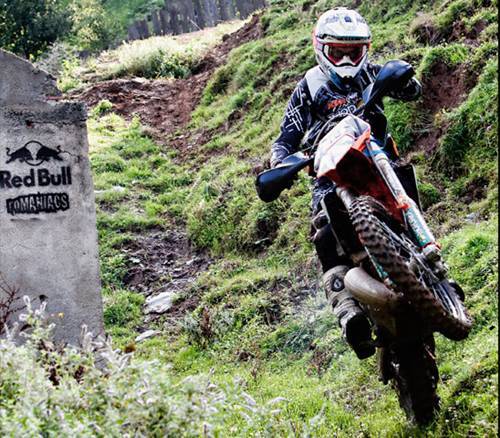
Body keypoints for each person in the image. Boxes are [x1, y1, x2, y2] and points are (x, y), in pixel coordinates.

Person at [270, 7, 422, 359]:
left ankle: (435, 271)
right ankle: (348, 313)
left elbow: (412, 91)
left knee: (408, 196)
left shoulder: (372, 73)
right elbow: (285, 139)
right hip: (329, 172)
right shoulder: (309, 86)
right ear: (321, 48)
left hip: (378, 161)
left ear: (365, 50)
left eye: (353, 52)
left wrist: (402, 79)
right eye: (337, 52)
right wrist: (281, 163)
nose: (346, 60)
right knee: (326, 234)